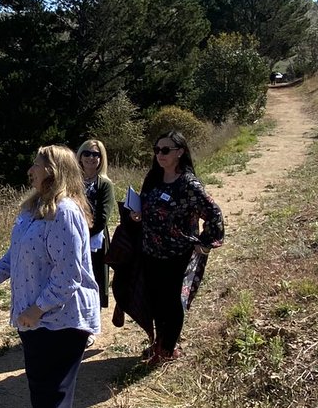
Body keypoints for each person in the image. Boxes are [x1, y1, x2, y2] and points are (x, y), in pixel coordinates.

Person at [0, 145, 100, 408]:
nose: (30, 169)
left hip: (60, 318)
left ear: (54, 171)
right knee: (39, 383)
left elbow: (69, 274)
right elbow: (17, 251)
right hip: (35, 317)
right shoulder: (34, 208)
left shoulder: (65, 212)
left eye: (37, 164)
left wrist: (37, 308)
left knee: (54, 388)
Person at [130, 130, 224, 366]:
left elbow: (213, 213)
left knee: (172, 303)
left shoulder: (188, 184)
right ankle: (161, 342)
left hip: (177, 254)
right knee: (156, 300)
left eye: (165, 150)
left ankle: (167, 349)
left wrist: (205, 243)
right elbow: (144, 206)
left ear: (180, 152)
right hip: (151, 251)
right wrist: (137, 214)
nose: (159, 154)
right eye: (157, 150)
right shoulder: (153, 177)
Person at [76, 138, 116, 309]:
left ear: (101, 158)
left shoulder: (105, 185)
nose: (91, 158)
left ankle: (92, 323)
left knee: (94, 279)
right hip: (72, 238)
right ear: (80, 156)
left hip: (95, 241)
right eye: (87, 153)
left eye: (96, 154)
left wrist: (84, 235)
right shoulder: (73, 181)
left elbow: (102, 218)